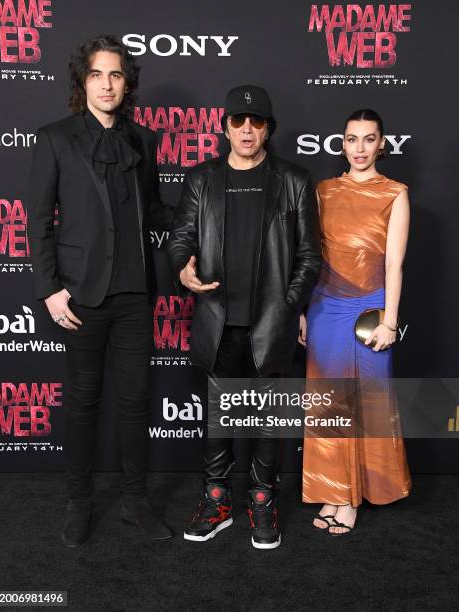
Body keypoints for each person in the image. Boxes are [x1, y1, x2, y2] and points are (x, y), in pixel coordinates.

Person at [27, 35, 172, 546]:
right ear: (82, 81)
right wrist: (50, 290)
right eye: (96, 75)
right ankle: (79, 503)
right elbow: (39, 222)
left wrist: (205, 218)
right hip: (80, 296)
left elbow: (154, 210)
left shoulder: (144, 140)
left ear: (126, 82)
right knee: (84, 403)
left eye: (115, 75)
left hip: (135, 293)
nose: (107, 84)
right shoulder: (55, 138)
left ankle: (136, 502)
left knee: (135, 403)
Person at [167, 85, 321, 549]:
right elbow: (180, 237)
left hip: (269, 325)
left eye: (256, 121)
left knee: (268, 420)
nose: (247, 129)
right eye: (239, 121)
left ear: (268, 128)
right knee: (218, 420)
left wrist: (286, 304)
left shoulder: (294, 179)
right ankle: (217, 502)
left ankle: (261, 500)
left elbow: (310, 256)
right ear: (225, 126)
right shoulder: (201, 180)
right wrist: (183, 268)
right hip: (217, 321)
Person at [300, 109, 412, 535]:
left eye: (369, 139)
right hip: (326, 307)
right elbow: (310, 258)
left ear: (381, 144)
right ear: (341, 144)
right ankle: (333, 489)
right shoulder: (323, 191)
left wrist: (390, 322)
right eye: (352, 139)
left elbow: (395, 265)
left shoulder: (395, 193)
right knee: (329, 405)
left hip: (370, 310)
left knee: (368, 402)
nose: (360, 148)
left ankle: (353, 497)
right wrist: (302, 310)